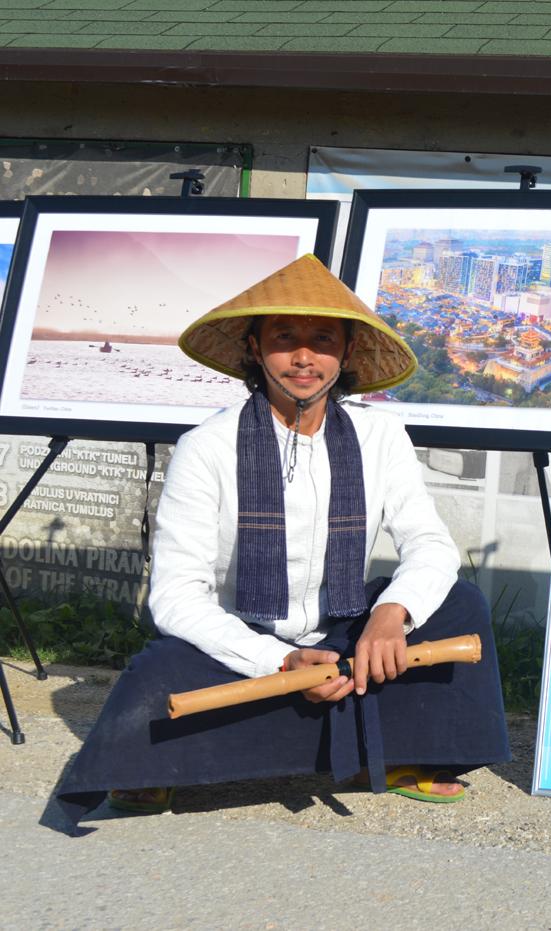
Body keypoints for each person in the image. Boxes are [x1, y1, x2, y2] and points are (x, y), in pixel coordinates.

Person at [55, 254, 510, 824]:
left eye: (323, 339)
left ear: (345, 354)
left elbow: (430, 544)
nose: (303, 357)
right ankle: (378, 738)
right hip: (245, 646)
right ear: (253, 348)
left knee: (460, 607)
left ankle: (396, 748)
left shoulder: (381, 436)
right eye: (284, 337)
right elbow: (175, 595)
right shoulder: (208, 446)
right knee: (158, 674)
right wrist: (280, 660)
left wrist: (391, 615)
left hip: (348, 634)